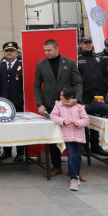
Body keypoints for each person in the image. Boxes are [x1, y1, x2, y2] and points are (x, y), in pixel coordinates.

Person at [33, 39, 83, 177]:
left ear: (56, 49)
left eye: (49, 50)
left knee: (72, 136)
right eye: (45, 50)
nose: (46, 52)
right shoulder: (41, 64)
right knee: (53, 138)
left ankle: (75, 169)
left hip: (68, 105)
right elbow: (37, 86)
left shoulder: (70, 63)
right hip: (50, 105)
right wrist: (40, 104)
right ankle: (57, 166)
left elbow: (78, 83)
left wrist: (76, 99)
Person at [76, 36, 108, 158]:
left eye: (89, 42)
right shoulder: (77, 59)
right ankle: (84, 147)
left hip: (98, 94)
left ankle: (95, 146)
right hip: (85, 95)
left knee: (97, 120)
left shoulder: (99, 58)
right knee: (85, 121)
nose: (88, 45)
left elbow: (105, 76)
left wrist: (106, 91)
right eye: (85, 43)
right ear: (80, 44)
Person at [49, 87, 89, 191]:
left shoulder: (79, 106)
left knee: (78, 156)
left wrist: (78, 123)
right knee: (71, 156)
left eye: (62, 96)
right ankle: (73, 178)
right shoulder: (58, 105)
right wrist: (63, 121)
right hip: (67, 136)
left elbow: (86, 120)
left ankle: (76, 173)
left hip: (79, 135)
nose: (60, 97)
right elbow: (53, 116)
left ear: (69, 97)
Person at [0, 42, 27, 162]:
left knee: (18, 129)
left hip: (18, 102)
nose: (9, 52)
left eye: (11, 50)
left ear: (16, 52)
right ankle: (7, 151)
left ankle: (20, 153)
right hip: (4, 103)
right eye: (6, 51)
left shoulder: (22, 65)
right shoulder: (0, 66)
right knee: (5, 128)